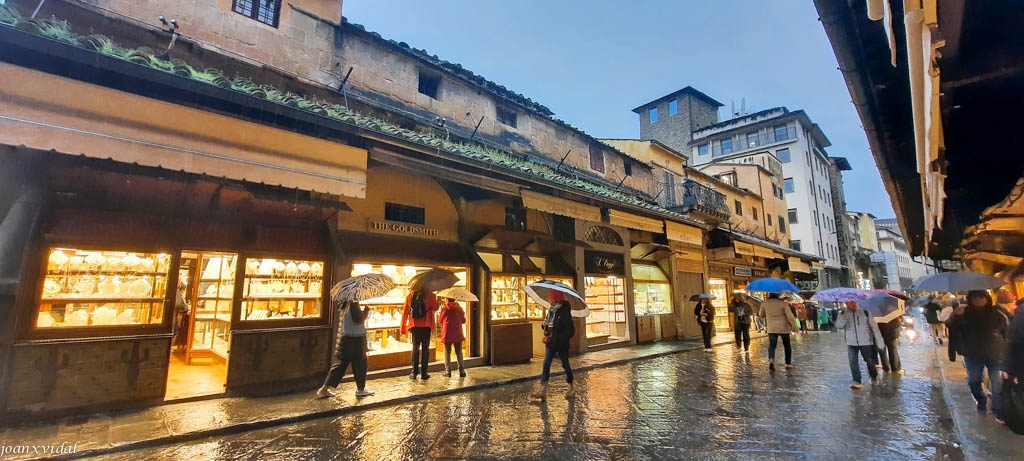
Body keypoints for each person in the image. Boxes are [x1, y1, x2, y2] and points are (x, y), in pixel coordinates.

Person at [947, 290, 1010, 422]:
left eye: (982, 297)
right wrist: (955, 316)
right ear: (970, 299)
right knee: (973, 381)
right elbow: (950, 326)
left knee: (997, 385)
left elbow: (1008, 328)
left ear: (987, 299)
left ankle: (997, 410)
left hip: (995, 353)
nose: (979, 300)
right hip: (973, 354)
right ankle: (981, 400)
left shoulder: (996, 312)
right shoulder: (964, 313)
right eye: (976, 298)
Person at [317, 301, 374, 398]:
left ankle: (360, 388)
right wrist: (366, 310)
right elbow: (358, 319)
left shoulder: (345, 303)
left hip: (348, 337)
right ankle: (324, 389)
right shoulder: (353, 302)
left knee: (351, 364)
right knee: (357, 363)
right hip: (355, 338)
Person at [531, 290, 576, 400]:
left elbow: (571, 330)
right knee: (546, 365)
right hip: (551, 342)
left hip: (561, 344)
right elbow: (548, 325)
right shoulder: (551, 311)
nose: (548, 299)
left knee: (565, 365)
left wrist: (560, 338)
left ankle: (571, 387)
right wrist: (544, 325)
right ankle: (542, 391)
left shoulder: (564, 312)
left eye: (550, 297)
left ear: (555, 299)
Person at [835, 300, 885, 389]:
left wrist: (879, 341)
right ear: (846, 303)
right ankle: (856, 380)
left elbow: (874, 327)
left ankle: (873, 376)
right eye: (849, 302)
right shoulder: (842, 313)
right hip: (851, 342)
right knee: (852, 361)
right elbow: (838, 326)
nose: (852, 304)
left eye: (854, 302)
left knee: (869, 360)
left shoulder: (865, 312)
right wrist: (843, 319)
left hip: (865, 341)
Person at [401, 289, 438, 380]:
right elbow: (436, 307)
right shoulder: (429, 294)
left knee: (415, 348)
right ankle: (424, 373)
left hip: (414, 325)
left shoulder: (410, 296)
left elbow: (405, 311)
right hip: (426, 325)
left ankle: (414, 372)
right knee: (425, 349)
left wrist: (403, 326)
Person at [759, 293, 797, 371]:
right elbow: (790, 316)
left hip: (772, 328)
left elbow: (761, 315)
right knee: (787, 346)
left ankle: (771, 359)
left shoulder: (764, 304)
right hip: (784, 328)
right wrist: (794, 327)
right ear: (778, 295)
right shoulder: (783, 304)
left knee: (772, 345)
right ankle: (788, 363)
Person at [438, 297, 467, 377]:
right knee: (459, 352)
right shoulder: (458, 308)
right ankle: (462, 371)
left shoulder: (445, 308)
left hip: (447, 333)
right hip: (457, 333)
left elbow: (440, 321)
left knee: (447, 352)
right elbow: (464, 320)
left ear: (447, 300)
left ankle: (448, 372)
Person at [172, 280, 190, 352]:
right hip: (174, 315)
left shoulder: (177, 294)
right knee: (174, 329)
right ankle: (171, 346)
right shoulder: (178, 294)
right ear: (182, 289)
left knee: (175, 329)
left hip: (175, 315)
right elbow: (178, 305)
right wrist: (186, 307)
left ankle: (171, 346)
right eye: (184, 290)